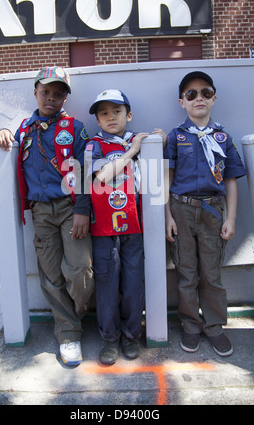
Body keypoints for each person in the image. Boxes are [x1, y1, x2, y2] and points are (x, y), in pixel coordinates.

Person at [0, 66, 94, 366]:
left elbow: (87, 170)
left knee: (80, 271)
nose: (51, 98)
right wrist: (2, 133)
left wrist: (81, 210)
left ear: (65, 97)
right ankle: (69, 334)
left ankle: (77, 313)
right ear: (36, 91)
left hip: (69, 207)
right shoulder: (24, 128)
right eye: (46, 92)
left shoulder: (75, 128)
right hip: (40, 213)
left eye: (58, 93)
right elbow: (9, 143)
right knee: (51, 276)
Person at [164, 71, 246, 357]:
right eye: (191, 94)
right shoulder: (176, 136)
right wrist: (168, 217)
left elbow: (232, 180)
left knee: (211, 274)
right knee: (186, 272)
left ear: (214, 99)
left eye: (205, 93)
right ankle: (190, 324)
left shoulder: (223, 137)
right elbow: (167, 178)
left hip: (213, 211)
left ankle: (214, 326)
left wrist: (231, 218)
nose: (199, 98)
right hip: (181, 209)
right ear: (181, 102)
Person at [85, 89, 165, 365]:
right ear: (97, 119)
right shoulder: (94, 144)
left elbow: (158, 155)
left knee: (132, 283)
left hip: (133, 226)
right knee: (107, 284)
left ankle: (131, 335)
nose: (111, 117)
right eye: (104, 113)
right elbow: (102, 176)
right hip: (105, 229)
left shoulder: (138, 139)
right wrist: (132, 151)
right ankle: (109, 338)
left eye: (117, 111)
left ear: (128, 115)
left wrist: (159, 140)